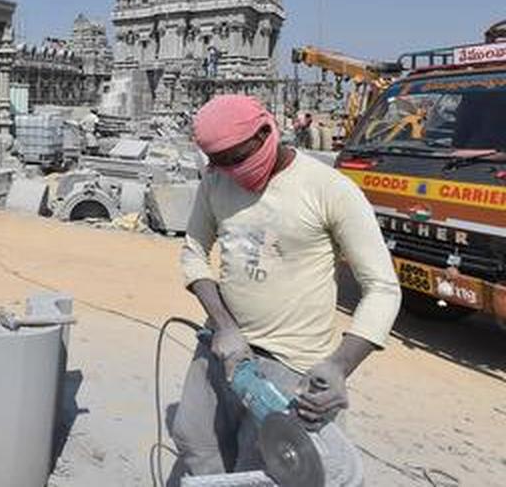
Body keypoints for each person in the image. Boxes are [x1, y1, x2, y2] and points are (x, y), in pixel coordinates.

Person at [170, 94, 401, 477]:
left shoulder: (329, 189)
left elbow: (382, 287)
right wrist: (225, 327)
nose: (226, 170)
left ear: (266, 134)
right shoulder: (215, 181)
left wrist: (341, 366)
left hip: (292, 363)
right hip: (224, 348)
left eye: (235, 159)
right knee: (194, 437)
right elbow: (193, 252)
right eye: (217, 162)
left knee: (266, 465)